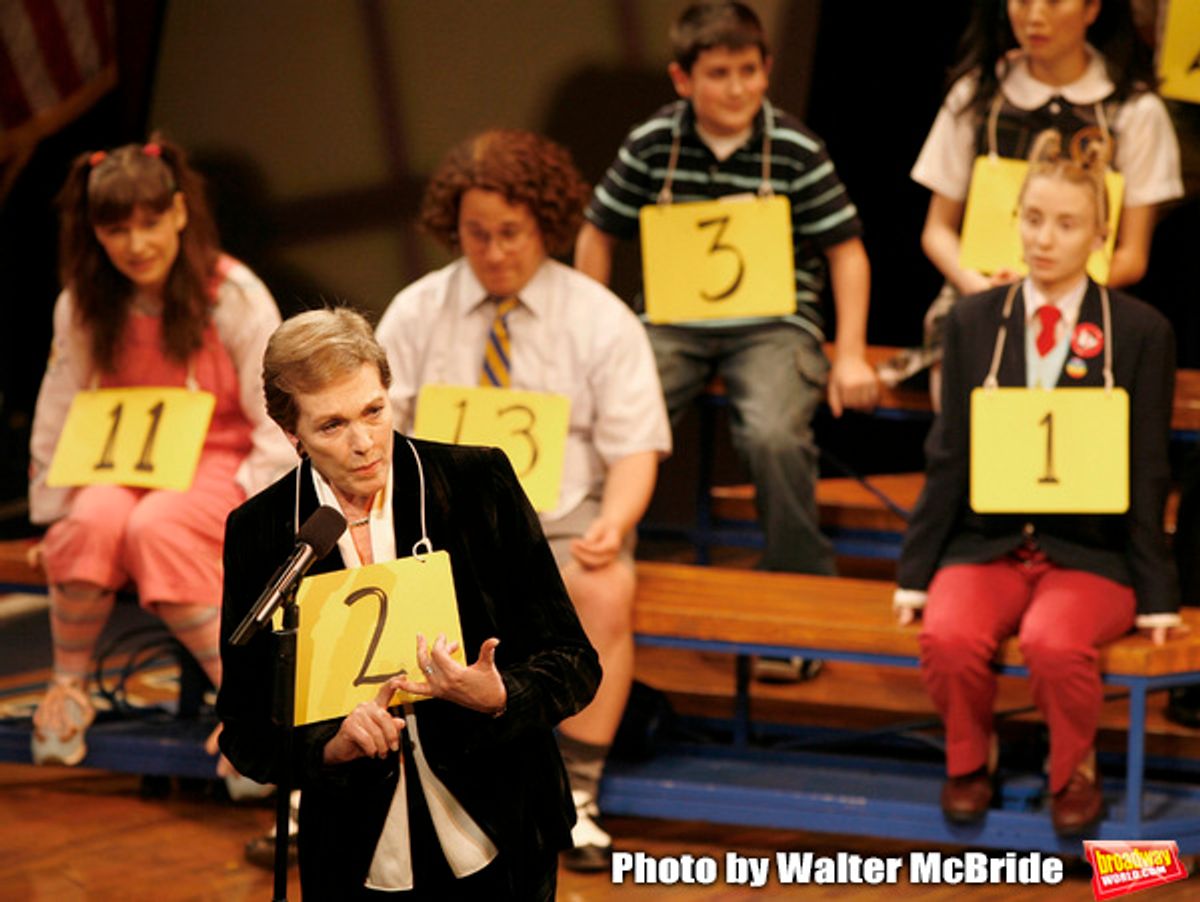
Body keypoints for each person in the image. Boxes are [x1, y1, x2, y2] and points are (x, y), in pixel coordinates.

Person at [217, 308, 600, 900]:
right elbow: (245, 732)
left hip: (501, 820)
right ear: (291, 434)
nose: (364, 443)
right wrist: (331, 746)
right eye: (332, 426)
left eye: (374, 410)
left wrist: (498, 696)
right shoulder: (263, 532)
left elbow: (574, 662)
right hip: (355, 844)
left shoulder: (476, 483)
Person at [376, 128, 671, 872]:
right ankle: (370, 783)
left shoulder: (599, 316)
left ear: (545, 224)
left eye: (512, 233)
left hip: (563, 518)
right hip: (431, 520)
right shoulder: (416, 310)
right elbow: (379, 426)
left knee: (604, 590)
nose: (496, 250)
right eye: (477, 234)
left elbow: (635, 444)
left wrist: (616, 520)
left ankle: (579, 791)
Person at [894, 129, 1182, 836]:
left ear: (1099, 234)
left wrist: (1158, 593)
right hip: (985, 543)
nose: (1045, 238)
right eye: (1032, 219)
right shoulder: (971, 322)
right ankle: (969, 756)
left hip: (1089, 553)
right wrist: (915, 572)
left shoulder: (1139, 331)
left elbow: (1149, 467)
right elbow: (948, 455)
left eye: (1067, 223)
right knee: (951, 633)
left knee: (1056, 642)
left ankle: (1072, 768)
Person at [575, 2, 879, 648]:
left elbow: (847, 252)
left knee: (772, 432)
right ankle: (590, 564)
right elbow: (597, 232)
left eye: (749, 69)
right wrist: (594, 334)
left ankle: (800, 594)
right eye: (719, 72)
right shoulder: (653, 142)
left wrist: (849, 352)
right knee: (610, 415)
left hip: (773, 324)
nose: (737, 86)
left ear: (767, 69)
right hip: (672, 321)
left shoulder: (795, 147)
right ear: (684, 79)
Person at [27, 137, 293, 768]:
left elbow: (277, 414)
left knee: (158, 526)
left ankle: (244, 703)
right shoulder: (83, 302)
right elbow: (59, 405)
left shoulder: (232, 294)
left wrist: (263, 515)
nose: (136, 244)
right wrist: (53, 514)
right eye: (117, 229)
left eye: (150, 223)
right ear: (94, 233)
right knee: (91, 520)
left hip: (220, 463)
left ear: (179, 212)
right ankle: (68, 685)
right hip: (120, 467)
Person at [903, 0, 1182, 395]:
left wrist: (1052, 290)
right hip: (977, 296)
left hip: (1084, 307)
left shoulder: (1134, 110)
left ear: (1091, 10)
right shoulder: (978, 95)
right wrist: (988, 292)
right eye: (1021, 0)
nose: (1034, 15)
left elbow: (1132, 255)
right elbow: (937, 231)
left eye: (1052, 1)